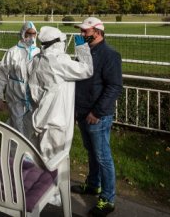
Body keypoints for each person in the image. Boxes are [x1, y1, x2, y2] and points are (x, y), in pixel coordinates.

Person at [72, 17, 123, 216]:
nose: (82, 34)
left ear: (98, 32)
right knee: (91, 152)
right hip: (83, 112)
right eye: (82, 31)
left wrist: (97, 112)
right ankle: (94, 185)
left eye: (85, 31)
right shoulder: (85, 52)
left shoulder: (110, 55)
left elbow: (114, 87)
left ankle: (108, 199)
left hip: (97, 116)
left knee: (103, 157)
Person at [27, 26, 93, 165]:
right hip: (56, 120)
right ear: (57, 42)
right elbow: (86, 70)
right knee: (53, 162)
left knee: (41, 157)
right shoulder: (59, 61)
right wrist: (82, 46)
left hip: (41, 116)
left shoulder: (36, 60)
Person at [0, 21, 40, 139]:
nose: (31, 37)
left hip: (32, 98)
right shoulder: (12, 52)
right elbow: (2, 75)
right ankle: (15, 152)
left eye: (33, 34)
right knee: (17, 125)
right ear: (23, 33)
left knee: (31, 126)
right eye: (28, 33)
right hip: (15, 96)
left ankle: (29, 152)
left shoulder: (39, 52)